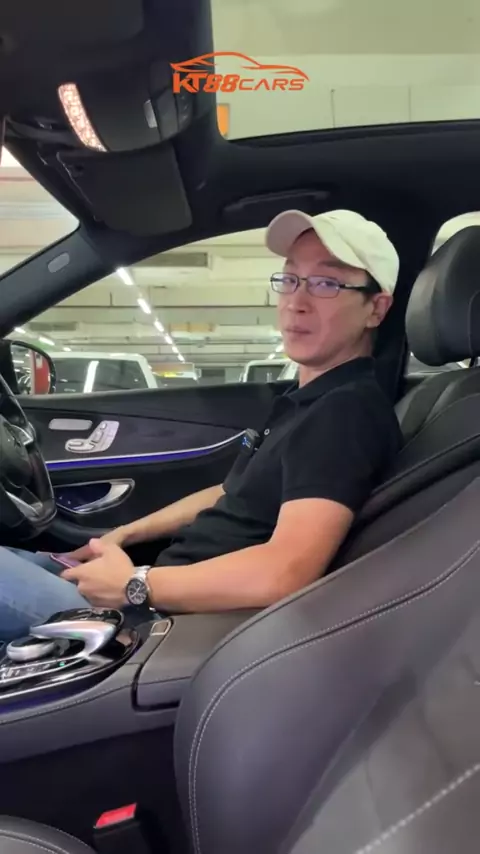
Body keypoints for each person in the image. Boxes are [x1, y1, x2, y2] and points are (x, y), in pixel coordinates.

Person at [0, 209, 403, 641]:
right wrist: (124, 534)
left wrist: (135, 585)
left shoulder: (345, 413)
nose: (296, 301)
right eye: (290, 279)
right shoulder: (308, 400)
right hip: (161, 591)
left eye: (326, 283)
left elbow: (285, 571)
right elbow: (232, 491)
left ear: (376, 309)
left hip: (156, 626)